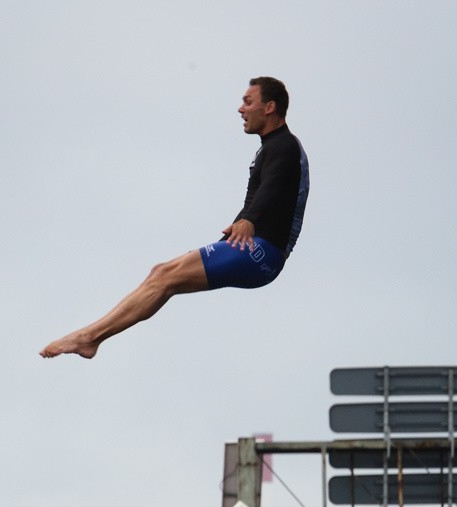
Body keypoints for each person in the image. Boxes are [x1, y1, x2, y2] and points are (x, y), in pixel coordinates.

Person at [40, 76, 309, 360]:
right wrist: (224, 242)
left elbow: (272, 188)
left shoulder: (284, 146)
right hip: (259, 253)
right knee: (162, 275)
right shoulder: (271, 148)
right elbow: (260, 199)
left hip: (262, 252)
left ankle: (88, 338)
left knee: (165, 275)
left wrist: (248, 221)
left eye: (247, 102)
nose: (241, 109)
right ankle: (91, 338)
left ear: (269, 108)